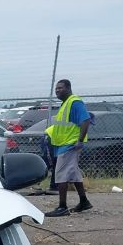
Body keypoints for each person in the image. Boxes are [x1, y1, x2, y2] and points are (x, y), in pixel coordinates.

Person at [43, 79, 93, 217]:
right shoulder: (65, 104)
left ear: (68, 88)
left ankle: (62, 206)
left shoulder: (74, 102)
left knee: (61, 174)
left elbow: (86, 120)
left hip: (70, 145)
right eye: (56, 89)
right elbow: (64, 125)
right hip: (63, 144)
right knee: (74, 174)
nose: (57, 91)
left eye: (60, 88)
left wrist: (80, 140)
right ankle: (84, 201)